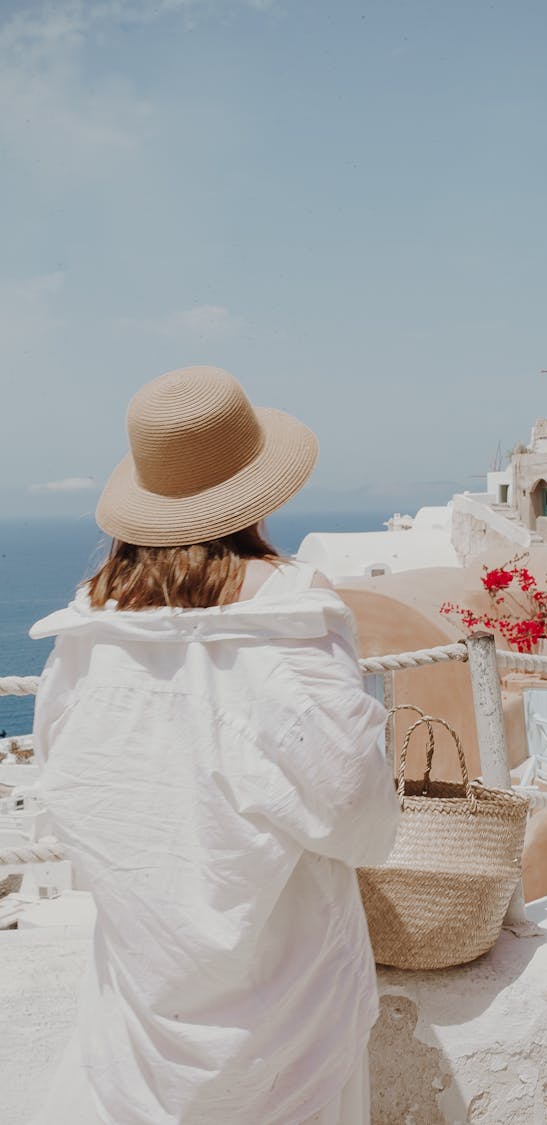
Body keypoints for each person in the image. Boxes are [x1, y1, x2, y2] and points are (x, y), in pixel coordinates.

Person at [29, 366, 400, 1125]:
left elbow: (71, 801)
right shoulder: (292, 619)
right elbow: (364, 822)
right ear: (255, 486)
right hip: (291, 1031)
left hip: (137, 1030)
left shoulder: (86, 636)